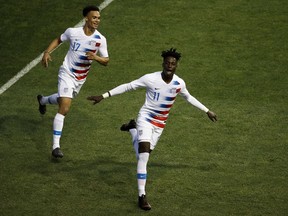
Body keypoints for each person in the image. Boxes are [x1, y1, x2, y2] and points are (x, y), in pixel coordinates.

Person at [87, 48, 217, 210]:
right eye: (167, 62)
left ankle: (133, 129)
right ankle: (142, 195)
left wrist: (206, 110)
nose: (170, 65)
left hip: (160, 124)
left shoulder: (179, 83)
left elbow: (189, 97)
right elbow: (128, 86)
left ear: (176, 66)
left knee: (143, 155)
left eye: (173, 63)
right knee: (144, 155)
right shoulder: (150, 78)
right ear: (163, 63)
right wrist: (103, 96)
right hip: (146, 119)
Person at [37, 5, 109, 158]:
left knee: (63, 99)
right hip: (67, 73)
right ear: (86, 18)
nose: (97, 20)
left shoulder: (100, 39)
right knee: (65, 108)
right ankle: (55, 147)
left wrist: (96, 57)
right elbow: (58, 39)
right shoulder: (73, 32)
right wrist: (47, 52)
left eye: (98, 18)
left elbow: (106, 60)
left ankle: (43, 100)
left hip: (80, 79)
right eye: (94, 17)